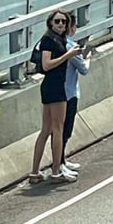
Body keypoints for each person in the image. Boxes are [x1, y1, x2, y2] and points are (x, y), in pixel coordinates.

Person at [28, 10, 84, 184]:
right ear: (50, 23)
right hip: (55, 87)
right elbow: (46, 64)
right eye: (57, 21)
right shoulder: (49, 40)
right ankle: (55, 172)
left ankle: (35, 172)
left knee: (46, 129)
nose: (61, 24)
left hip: (53, 87)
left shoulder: (59, 40)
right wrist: (68, 55)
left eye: (64, 22)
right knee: (56, 130)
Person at [61, 14, 91, 174]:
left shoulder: (60, 44)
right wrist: (88, 56)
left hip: (62, 91)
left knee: (62, 129)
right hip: (69, 92)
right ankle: (59, 163)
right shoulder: (71, 46)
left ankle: (62, 161)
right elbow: (84, 69)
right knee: (65, 130)